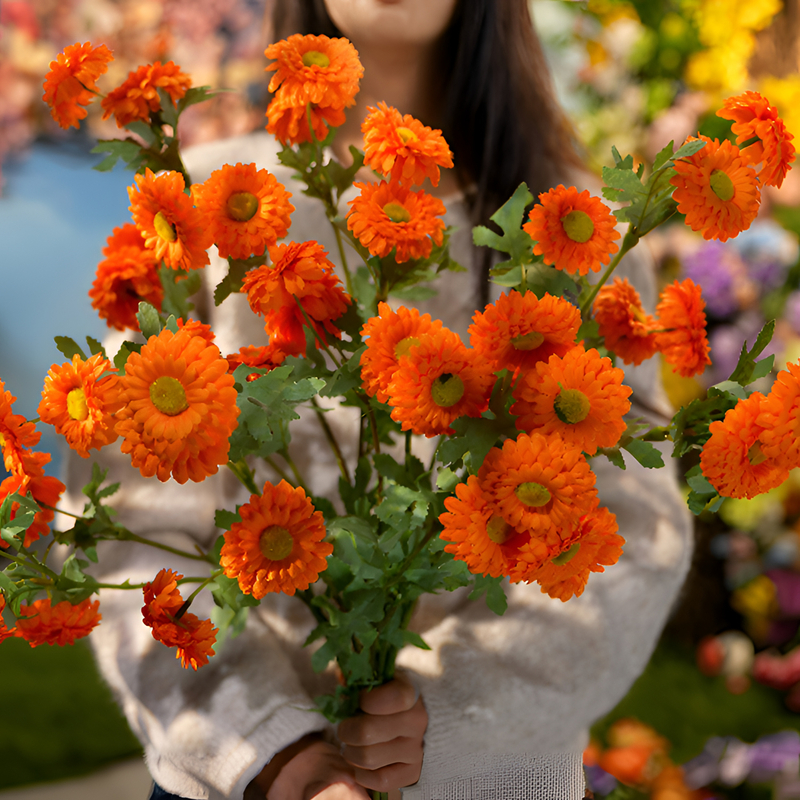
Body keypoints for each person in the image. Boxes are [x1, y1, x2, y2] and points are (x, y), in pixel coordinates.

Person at [63, 1, 693, 798]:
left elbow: (632, 533)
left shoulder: (575, 229)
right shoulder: (201, 207)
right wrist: (268, 749)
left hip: (490, 777)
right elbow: (135, 526)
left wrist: (451, 706)